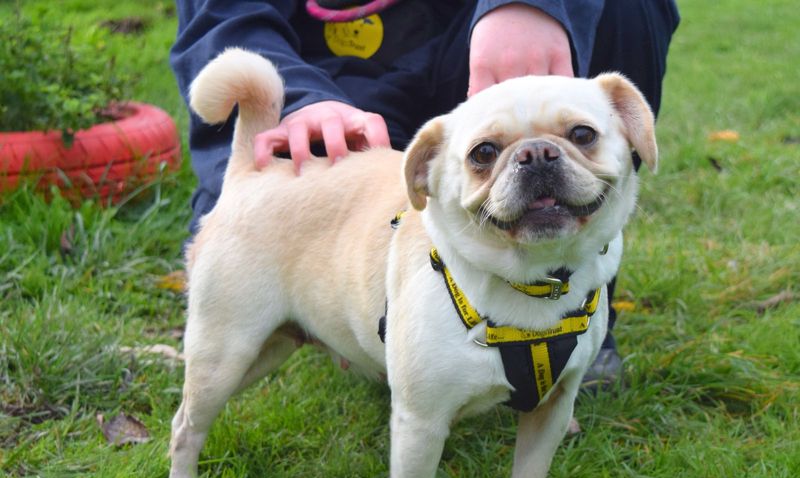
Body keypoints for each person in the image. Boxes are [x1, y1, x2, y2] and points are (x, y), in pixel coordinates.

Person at [170, 0, 680, 387]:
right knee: (265, 238)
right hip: (330, 92)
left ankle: (574, 307)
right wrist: (299, 101)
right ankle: (339, 309)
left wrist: (532, 4)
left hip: (476, 57)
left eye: (582, 137)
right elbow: (220, 17)